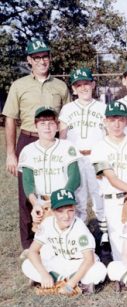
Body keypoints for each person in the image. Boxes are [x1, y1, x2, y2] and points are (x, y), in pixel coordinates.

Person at [2, 38, 70, 253]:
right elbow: (10, 118)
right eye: (37, 57)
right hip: (28, 139)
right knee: (27, 193)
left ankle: (59, 237)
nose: (42, 61)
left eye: (45, 56)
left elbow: (67, 119)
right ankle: (28, 245)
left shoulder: (60, 86)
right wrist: (11, 154)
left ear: (50, 58)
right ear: (29, 60)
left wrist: (65, 146)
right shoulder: (19, 85)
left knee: (56, 187)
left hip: (54, 140)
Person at [90, 101, 127, 261]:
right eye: (112, 120)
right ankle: (122, 274)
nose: (116, 124)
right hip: (113, 200)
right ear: (105, 121)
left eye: (120, 120)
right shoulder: (99, 147)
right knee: (117, 238)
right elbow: (111, 178)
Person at [21, 188, 107, 295]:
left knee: (99, 270)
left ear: (75, 209)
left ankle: (56, 284)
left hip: (79, 263)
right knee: (27, 265)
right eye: (60, 211)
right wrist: (44, 274)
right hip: (60, 261)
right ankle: (76, 286)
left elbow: (89, 260)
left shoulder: (79, 228)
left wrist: (70, 284)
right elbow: (32, 251)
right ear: (52, 211)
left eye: (70, 210)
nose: (66, 216)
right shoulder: (47, 223)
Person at [18, 106, 81, 249]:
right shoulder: (28, 150)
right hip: (41, 203)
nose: (47, 127)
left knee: (68, 244)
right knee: (45, 248)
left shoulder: (67, 147)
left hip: (63, 203)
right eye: (42, 123)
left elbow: (75, 178)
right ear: (36, 126)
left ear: (57, 126)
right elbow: (28, 183)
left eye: (51, 123)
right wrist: (35, 204)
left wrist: (60, 202)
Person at [59, 68, 105, 226]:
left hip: (96, 157)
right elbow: (62, 136)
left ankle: (104, 233)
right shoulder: (67, 109)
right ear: (73, 88)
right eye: (79, 85)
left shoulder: (102, 108)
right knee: (78, 196)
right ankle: (80, 229)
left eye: (86, 83)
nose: (83, 88)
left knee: (99, 193)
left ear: (93, 84)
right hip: (75, 158)